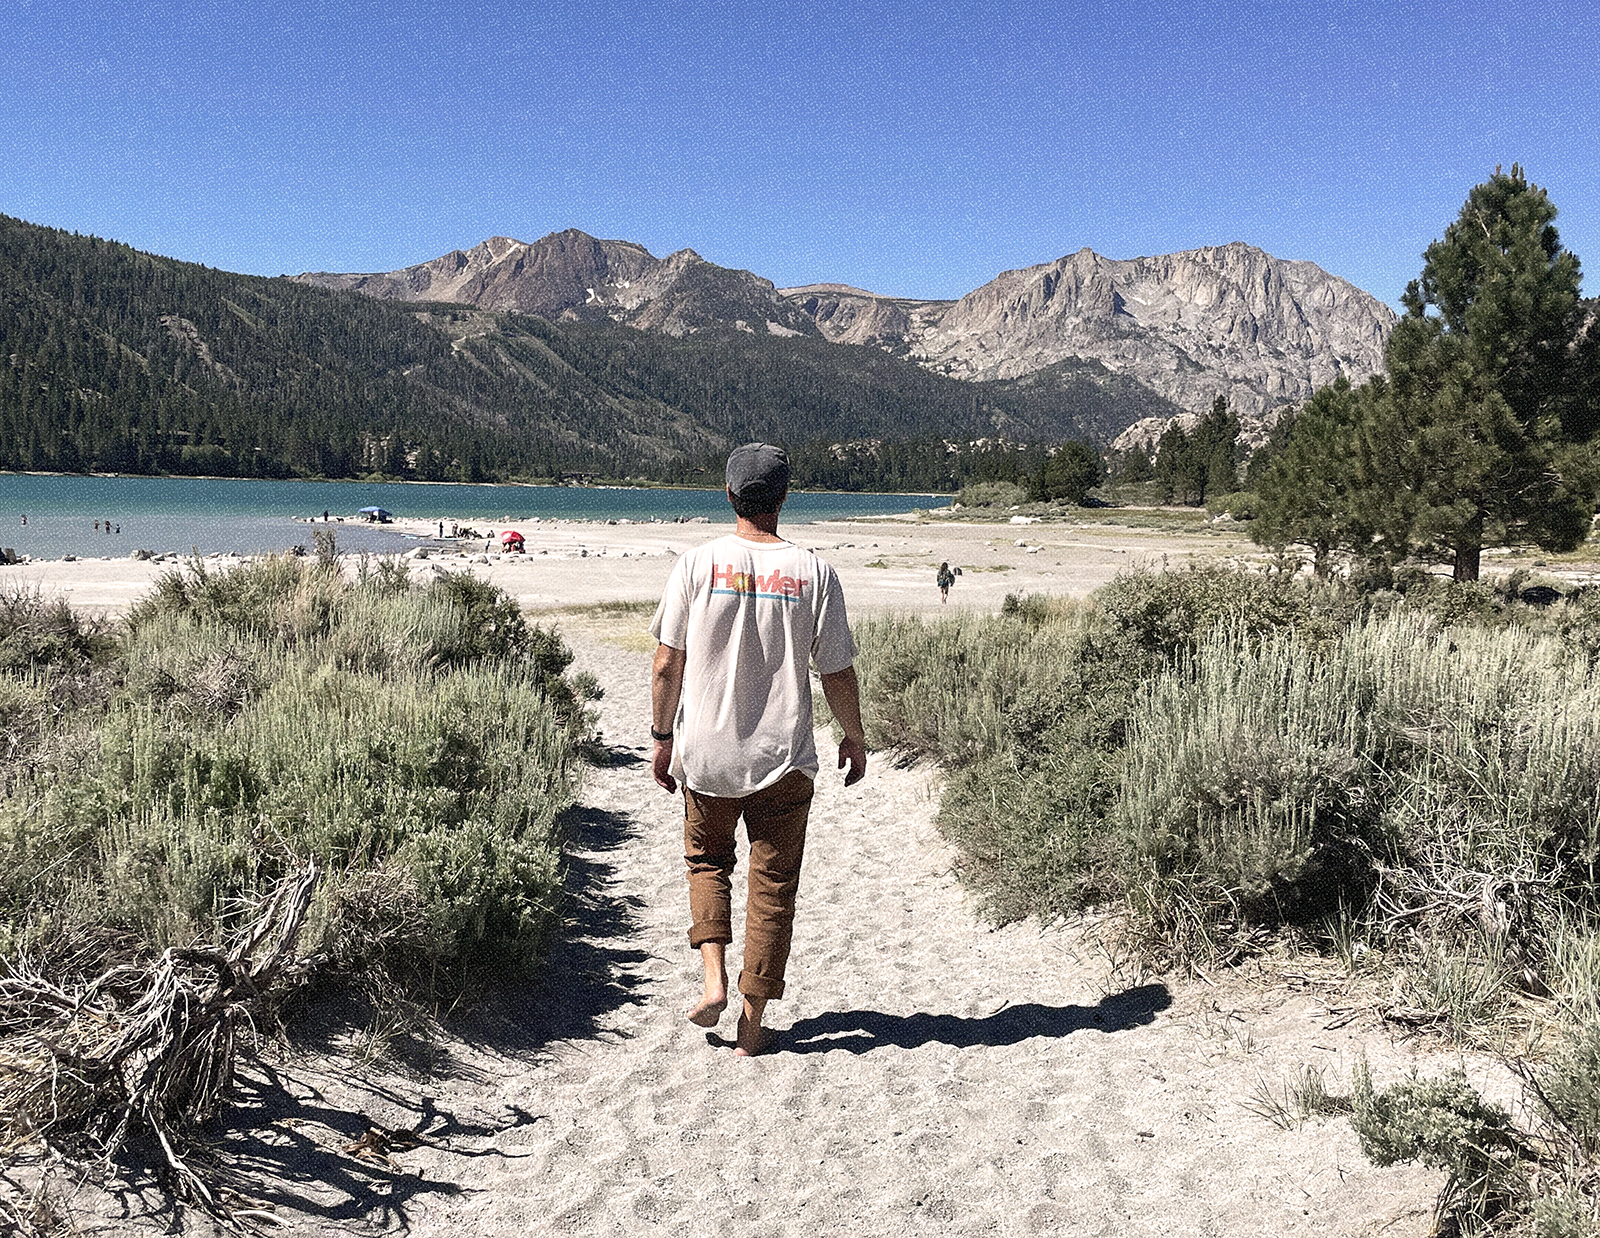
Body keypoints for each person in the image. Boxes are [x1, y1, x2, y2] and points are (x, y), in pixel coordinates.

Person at [650, 442, 867, 1057]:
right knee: (773, 886)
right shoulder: (814, 572)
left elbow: (668, 663)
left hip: (707, 752)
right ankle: (751, 1019)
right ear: (784, 498)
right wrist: (852, 734)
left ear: (728, 497)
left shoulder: (696, 565)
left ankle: (713, 979)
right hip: (783, 758)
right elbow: (837, 670)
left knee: (707, 862)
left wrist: (662, 738)